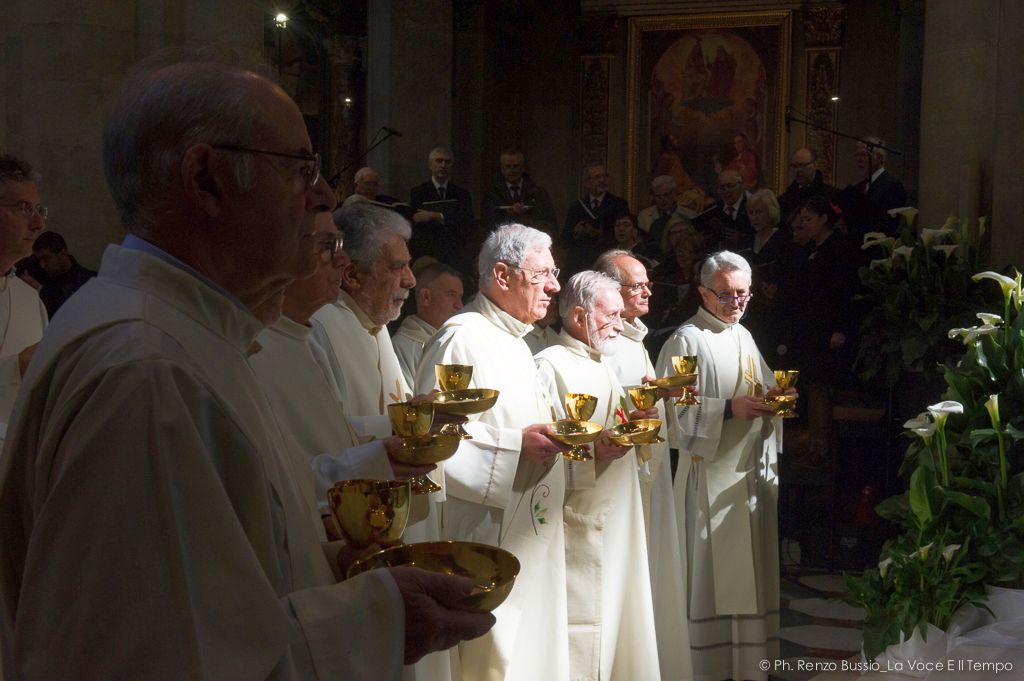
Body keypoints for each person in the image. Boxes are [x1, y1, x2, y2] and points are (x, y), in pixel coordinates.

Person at [0, 57, 492, 681]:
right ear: (206, 180)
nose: (324, 198)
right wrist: (375, 618)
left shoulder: (193, 338)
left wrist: (323, 562)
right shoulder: (148, 370)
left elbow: (210, 588)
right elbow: (144, 659)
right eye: (301, 170)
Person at [248, 213, 455, 681]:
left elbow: (332, 431)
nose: (407, 280)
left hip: (357, 534)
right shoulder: (315, 328)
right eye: (326, 247)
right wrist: (387, 445)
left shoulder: (367, 329)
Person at [416, 224, 571, 681]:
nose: (555, 285)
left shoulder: (516, 341)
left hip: (529, 524)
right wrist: (512, 445)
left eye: (555, 272)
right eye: (543, 273)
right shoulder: (462, 338)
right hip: (484, 534)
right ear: (502, 275)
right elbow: (428, 440)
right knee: (492, 653)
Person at [656, 251, 789, 681]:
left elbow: (764, 384)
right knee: (708, 581)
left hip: (744, 475)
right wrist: (729, 410)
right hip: (706, 477)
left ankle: (746, 666)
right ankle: (706, 668)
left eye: (743, 295)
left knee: (749, 576)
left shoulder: (743, 335)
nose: (736, 303)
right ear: (702, 292)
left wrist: (778, 400)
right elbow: (675, 414)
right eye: (726, 294)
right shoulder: (685, 340)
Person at [534, 270, 661, 681]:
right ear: (577, 314)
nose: (621, 325)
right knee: (584, 628)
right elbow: (540, 447)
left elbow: (620, 427)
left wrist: (643, 421)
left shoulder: (601, 363)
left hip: (620, 514)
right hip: (579, 518)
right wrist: (590, 452)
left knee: (620, 621)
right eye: (611, 315)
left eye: (622, 315)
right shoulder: (547, 366)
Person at [593, 249, 692, 681]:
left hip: (649, 470)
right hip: (621, 473)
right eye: (636, 284)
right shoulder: (606, 346)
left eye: (646, 282)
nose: (648, 289)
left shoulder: (633, 339)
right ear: (611, 289)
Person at [312, 203, 416, 438]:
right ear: (352, 275)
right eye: (399, 267)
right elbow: (324, 438)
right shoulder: (319, 329)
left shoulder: (374, 322)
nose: (411, 280)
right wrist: (404, 425)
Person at [0, 154, 48, 427]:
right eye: (22, 208)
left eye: (38, 209)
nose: (38, 224)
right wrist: (14, 370)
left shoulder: (30, 301)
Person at [392, 260, 464, 388]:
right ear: (426, 297)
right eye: (451, 295)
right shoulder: (402, 347)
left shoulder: (458, 340)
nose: (459, 305)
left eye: (460, 297)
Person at [409, 147, 475, 269]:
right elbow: (417, 222)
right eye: (439, 161)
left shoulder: (462, 194)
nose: (443, 165)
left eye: (447, 162)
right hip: (428, 252)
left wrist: (436, 216)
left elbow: (466, 221)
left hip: (455, 253)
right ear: (430, 165)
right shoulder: (418, 192)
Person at [559, 163, 629, 276]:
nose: (602, 180)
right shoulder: (577, 206)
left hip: (607, 261)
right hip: (581, 263)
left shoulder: (618, 204)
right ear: (587, 183)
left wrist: (597, 233)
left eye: (604, 176)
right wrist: (576, 232)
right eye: (597, 177)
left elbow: (624, 236)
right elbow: (564, 240)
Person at [835, 137, 907, 240]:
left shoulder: (892, 185)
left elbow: (887, 226)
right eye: (857, 155)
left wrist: (851, 229)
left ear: (880, 158)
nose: (859, 160)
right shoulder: (859, 187)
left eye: (863, 155)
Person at [480, 149, 557, 237]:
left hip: (530, 243)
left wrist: (524, 217)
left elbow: (550, 225)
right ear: (502, 169)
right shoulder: (492, 194)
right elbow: (487, 226)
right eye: (508, 166)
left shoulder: (538, 193)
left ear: (523, 168)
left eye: (515, 166)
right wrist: (509, 216)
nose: (512, 170)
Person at [31, 231, 97, 318]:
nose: (42, 265)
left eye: (46, 258)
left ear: (63, 253)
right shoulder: (39, 275)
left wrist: (40, 290)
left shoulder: (89, 281)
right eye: (39, 260)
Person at [694, 169, 752, 252]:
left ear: (741, 186)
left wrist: (744, 238)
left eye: (730, 186)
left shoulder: (752, 205)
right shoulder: (713, 209)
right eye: (721, 188)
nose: (726, 191)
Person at [637, 174, 696, 253]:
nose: (662, 200)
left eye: (665, 195)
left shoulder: (689, 215)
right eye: (658, 196)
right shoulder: (644, 216)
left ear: (674, 194)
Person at [777, 147, 835, 224]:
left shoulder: (831, 196)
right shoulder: (784, 199)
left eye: (802, 165)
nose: (798, 170)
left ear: (815, 165)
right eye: (794, 166)